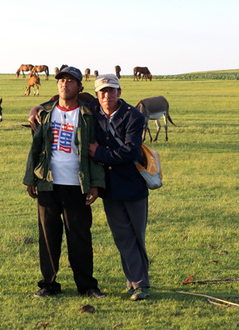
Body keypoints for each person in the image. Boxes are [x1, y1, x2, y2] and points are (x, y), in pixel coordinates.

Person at [23, 66, 106, 298]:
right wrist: (31, 178)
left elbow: (95, 152)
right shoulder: (46, 113)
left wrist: (96, 184)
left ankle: (87, 286)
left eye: (70, 81)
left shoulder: (89, 115)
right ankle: (48, 285)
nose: (64, 84)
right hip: (48, 183)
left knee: (79, 235)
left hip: (77, 184)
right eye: (61, 80)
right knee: (48, 236)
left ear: (79, 87)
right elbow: (36, 148)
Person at [88, 74, 150, 301]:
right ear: (97, 94)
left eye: (112, 91)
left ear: (119, 93)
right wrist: (37, 107)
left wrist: (99, 153)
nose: (107, 95)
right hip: (110, 188)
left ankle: (140, 283)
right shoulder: (92, 110)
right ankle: (136, 282)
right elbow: (66, 98)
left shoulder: (134, 116)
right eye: (103, 92)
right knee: (122, 236)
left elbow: (131, 151)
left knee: (136, 235)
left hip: (133, 185)